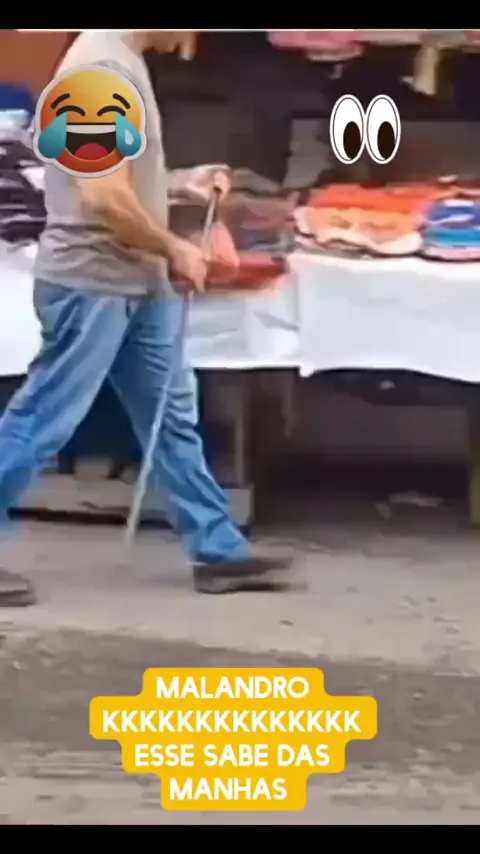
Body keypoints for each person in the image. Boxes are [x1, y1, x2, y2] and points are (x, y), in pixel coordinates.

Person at [0, 30, 292, 607]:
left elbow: (115, 173)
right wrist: (174, 247)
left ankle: (218, 550)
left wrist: (181, 182)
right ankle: (217, 547)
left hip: (133, 278)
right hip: (94, 281)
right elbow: (101, 197)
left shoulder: (117, 61)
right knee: (44, 417)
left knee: (172, 415)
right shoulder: (96, 72)